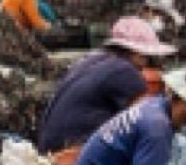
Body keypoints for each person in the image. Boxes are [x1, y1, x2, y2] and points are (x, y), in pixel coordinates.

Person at [38, 17, 176, 154]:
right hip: (72, 151)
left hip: (49, 147)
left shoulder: (91, 59)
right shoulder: (123, 70)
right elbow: (151, 119)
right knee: (178, 143)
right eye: (146, 57)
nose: (146, 64)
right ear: (136, 52)